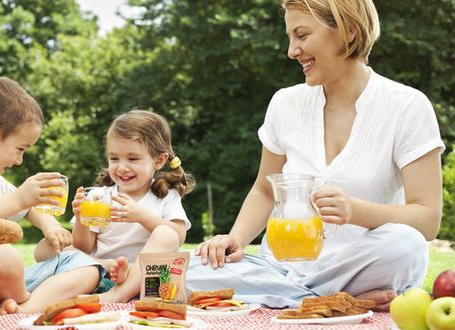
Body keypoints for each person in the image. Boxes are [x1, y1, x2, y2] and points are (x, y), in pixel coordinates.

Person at [188, 0, 444, 312]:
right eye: (290, 38)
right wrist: (236, 240)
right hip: (281, 266)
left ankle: (283, 295)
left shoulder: (407, 107)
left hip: (362, 264)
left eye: (302, 35)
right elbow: (265, 189)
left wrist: (354, 210)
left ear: (348, 32)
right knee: (187, 266)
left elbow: (427, 220)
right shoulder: (285, 103)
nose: (292, 51)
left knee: (407, 244)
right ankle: (325, 299)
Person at [0, 77, 104, 316]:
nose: (19, 161)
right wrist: (18, 199)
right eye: (20, 149)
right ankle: (22, 303)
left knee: (86, 267)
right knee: (4, 256)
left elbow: (29, 209)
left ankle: (19, 308)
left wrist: (51, 226)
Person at [35, 110, 196, 303]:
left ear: (159, 161)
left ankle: (120, 294)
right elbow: (83, 247)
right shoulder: (98, 196)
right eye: (114, 159)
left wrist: (140, 215)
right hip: (102, 277)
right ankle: (106, 269)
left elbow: (177, 237)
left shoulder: (166, 196)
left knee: (166, 233)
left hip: (147, 279)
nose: (122, 167)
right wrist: (81, 219)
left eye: (133, 159)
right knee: (45, 248)